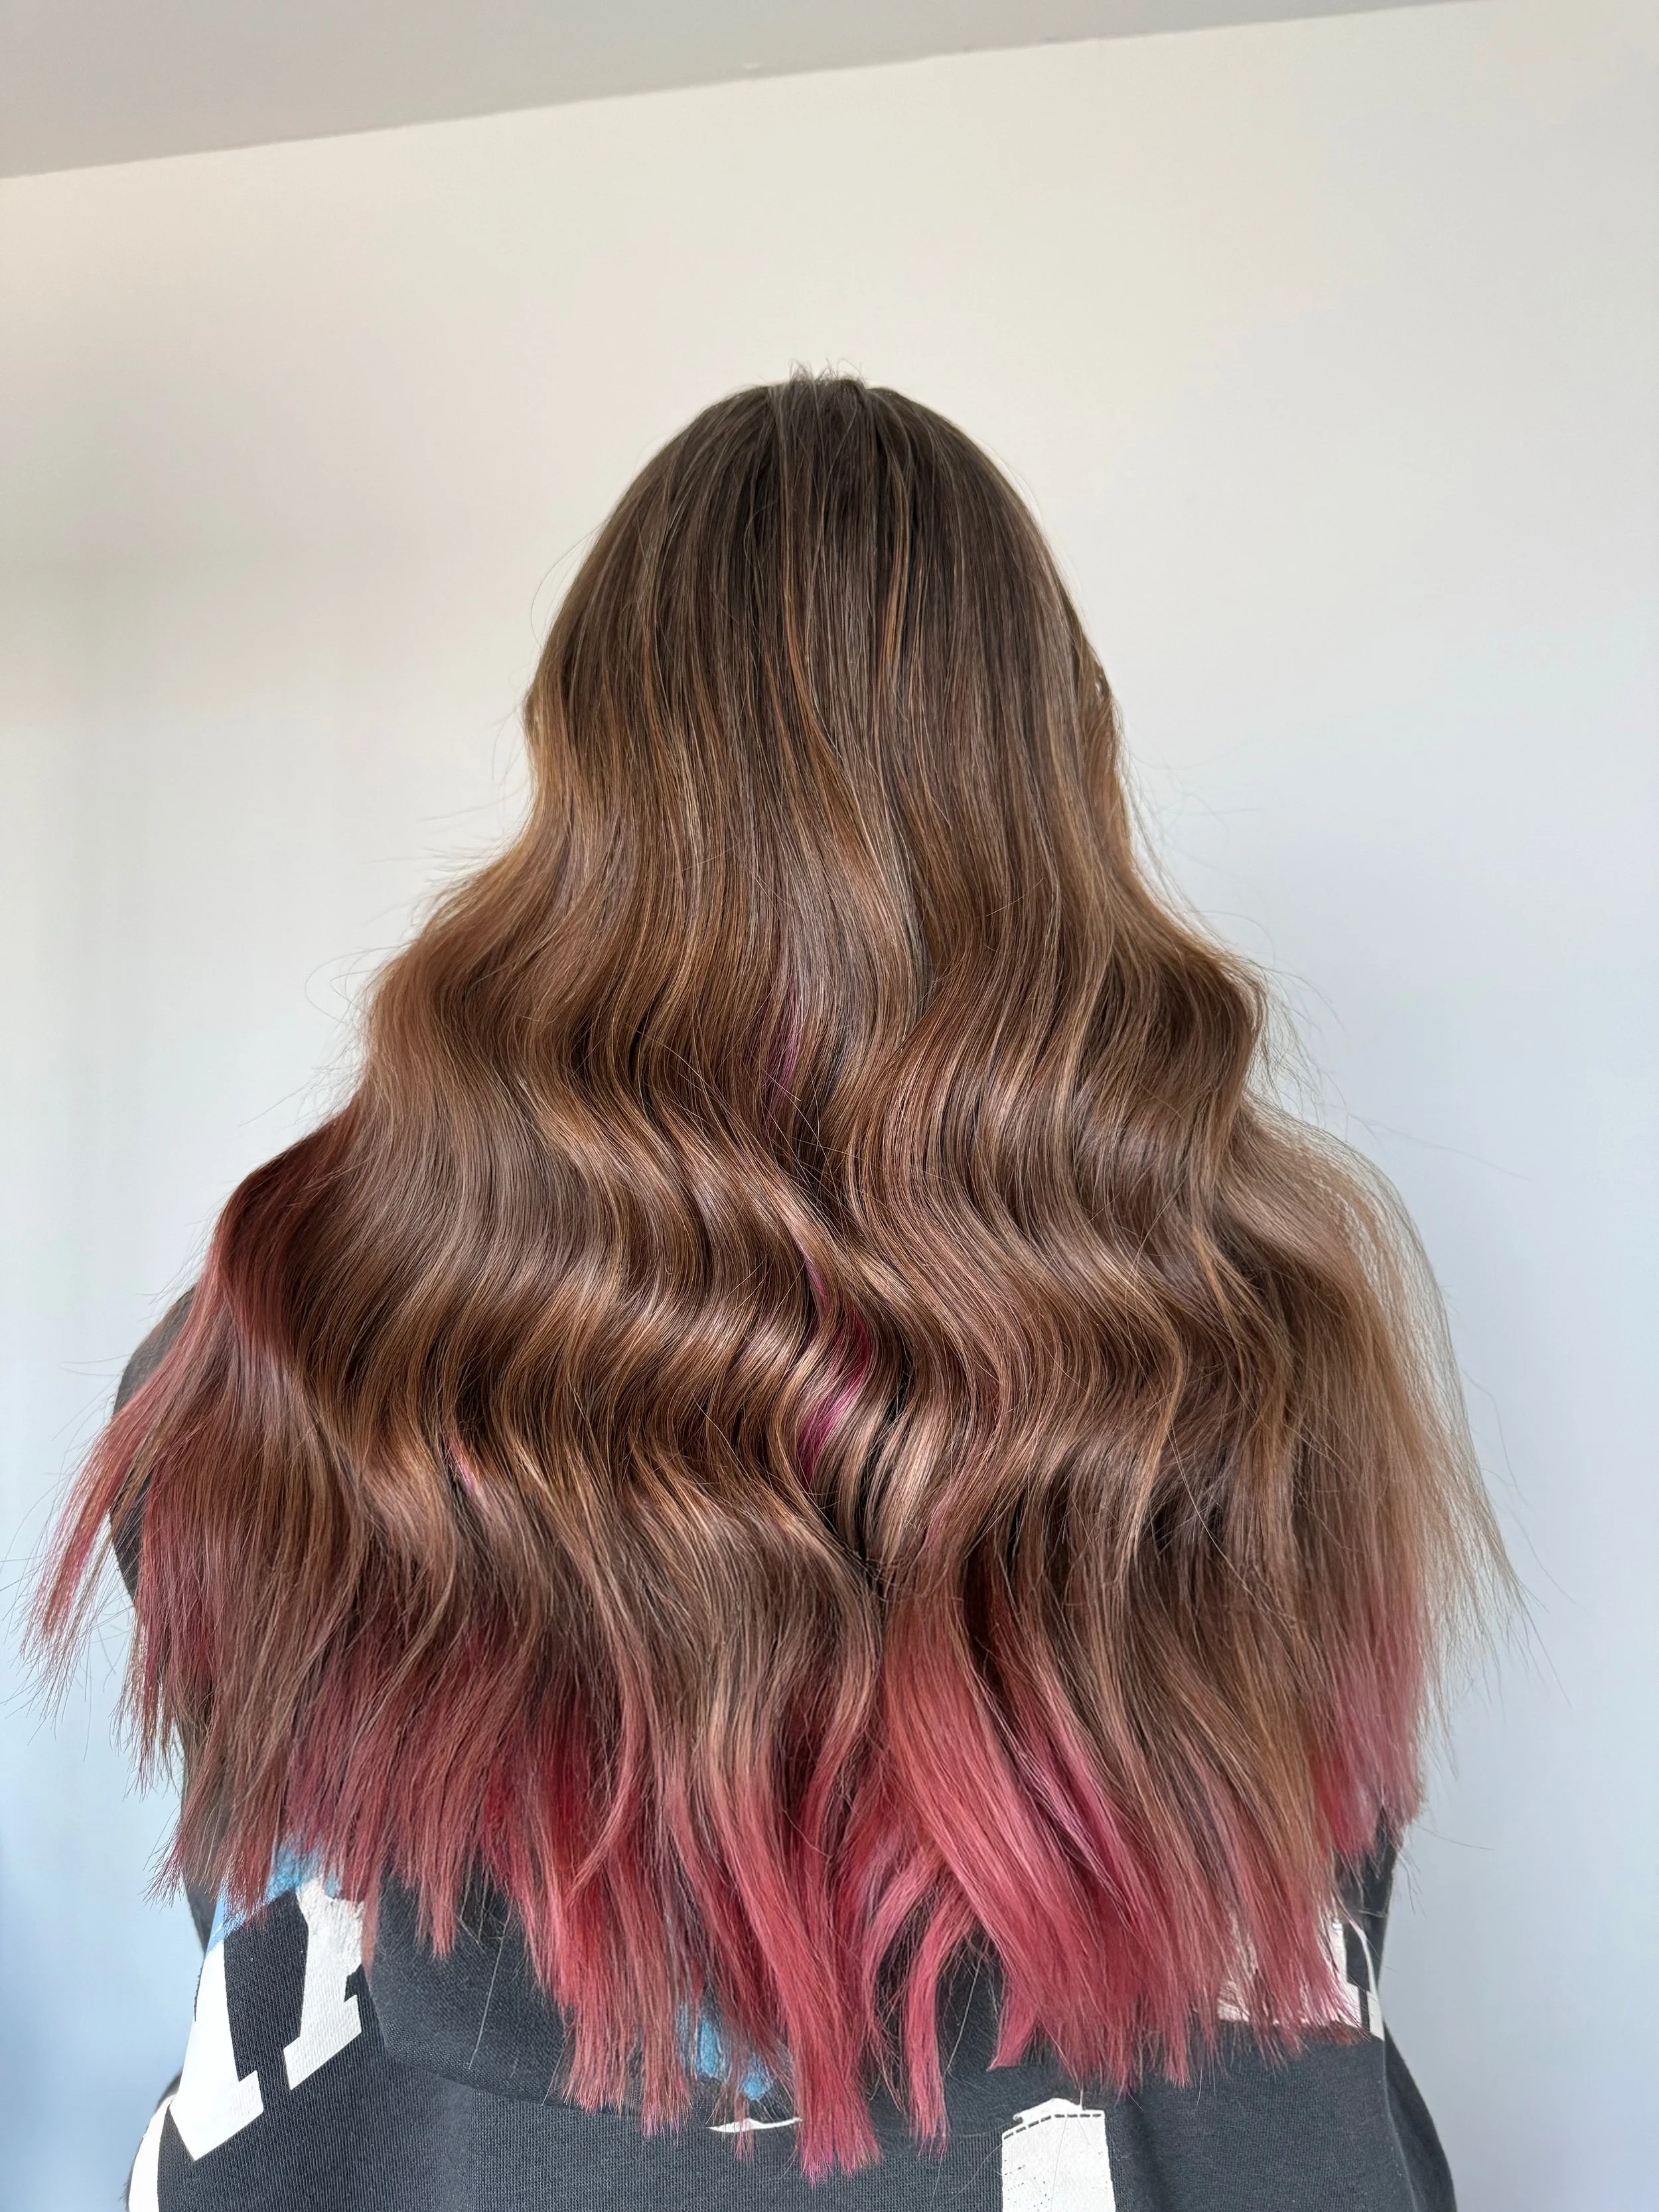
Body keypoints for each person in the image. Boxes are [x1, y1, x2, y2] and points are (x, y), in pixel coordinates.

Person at [37, 373, 1504, 2211]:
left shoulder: (254, 1352)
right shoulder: (1272, 1328)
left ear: (582, 762)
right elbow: (1309, 1913)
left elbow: (265, 1914)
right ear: (1055, 766)